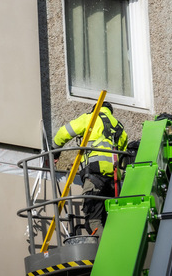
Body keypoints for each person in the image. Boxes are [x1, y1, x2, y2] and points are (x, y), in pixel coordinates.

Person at [53, 101, 128, 236]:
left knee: (93, 221)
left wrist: (54, 150)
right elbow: (122, 154)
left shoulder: (90, 118)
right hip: (114, 181)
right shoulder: (119, 128)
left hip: (94, 175)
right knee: (109, 220)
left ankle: (106, 254)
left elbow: (64, 132)